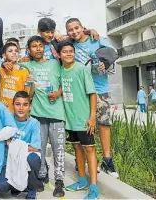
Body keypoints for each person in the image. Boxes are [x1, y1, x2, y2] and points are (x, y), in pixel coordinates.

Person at [65, 17, 119, 179]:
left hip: (100, 89)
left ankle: (107, 161)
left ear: (83, 27)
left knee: (103, 124)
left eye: (77, 28)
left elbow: (113, 53)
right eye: (70, 29)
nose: (74, 31)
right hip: (81, 93)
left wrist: (106, 64)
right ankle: (82, 159)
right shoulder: (70, 44)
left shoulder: (97, 39)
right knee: (83, 127)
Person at [20, 36, 66, 197]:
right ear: (29, 49)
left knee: (58, 149)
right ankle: (41, 175)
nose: (38, 48)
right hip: (37, 115)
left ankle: (59, 181)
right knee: (38, 148)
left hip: (57, 114)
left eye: (41, 45)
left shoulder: (54, 63)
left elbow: (64, 81)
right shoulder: (26, 65)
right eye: (34, 46)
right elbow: (11, 64)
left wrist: (59, 92)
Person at [59, 42, 99, 200]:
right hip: (70, 120)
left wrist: (92, 117)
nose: (68, 54)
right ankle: (82, 180)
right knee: (77, 149)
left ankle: (94, 186)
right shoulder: (61, 70)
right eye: (65, 51)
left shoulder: (81, 69)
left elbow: (92, 93)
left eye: (71, 51)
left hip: (84, 119)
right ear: (59, 55)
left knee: (90, 150)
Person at [0, 91, 42, 199]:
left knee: (34, 158)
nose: (21, 108)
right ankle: (18, 187)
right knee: (0, 187)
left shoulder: (34, 123)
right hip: (9, 161)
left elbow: (36, 148)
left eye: (25, 105)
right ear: (13, 105)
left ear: (30, 107)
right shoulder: (6, 120)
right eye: (17, 104)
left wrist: (13, 144)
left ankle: (32, 187)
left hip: (25, 161)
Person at [0, 42, 33, 112]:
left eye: (16, 51)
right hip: (3, 108)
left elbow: (27, 92)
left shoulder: (24, 71)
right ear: (4, 55)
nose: (14, 53)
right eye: (10, 51)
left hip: (18, 110)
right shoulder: (1, 70)